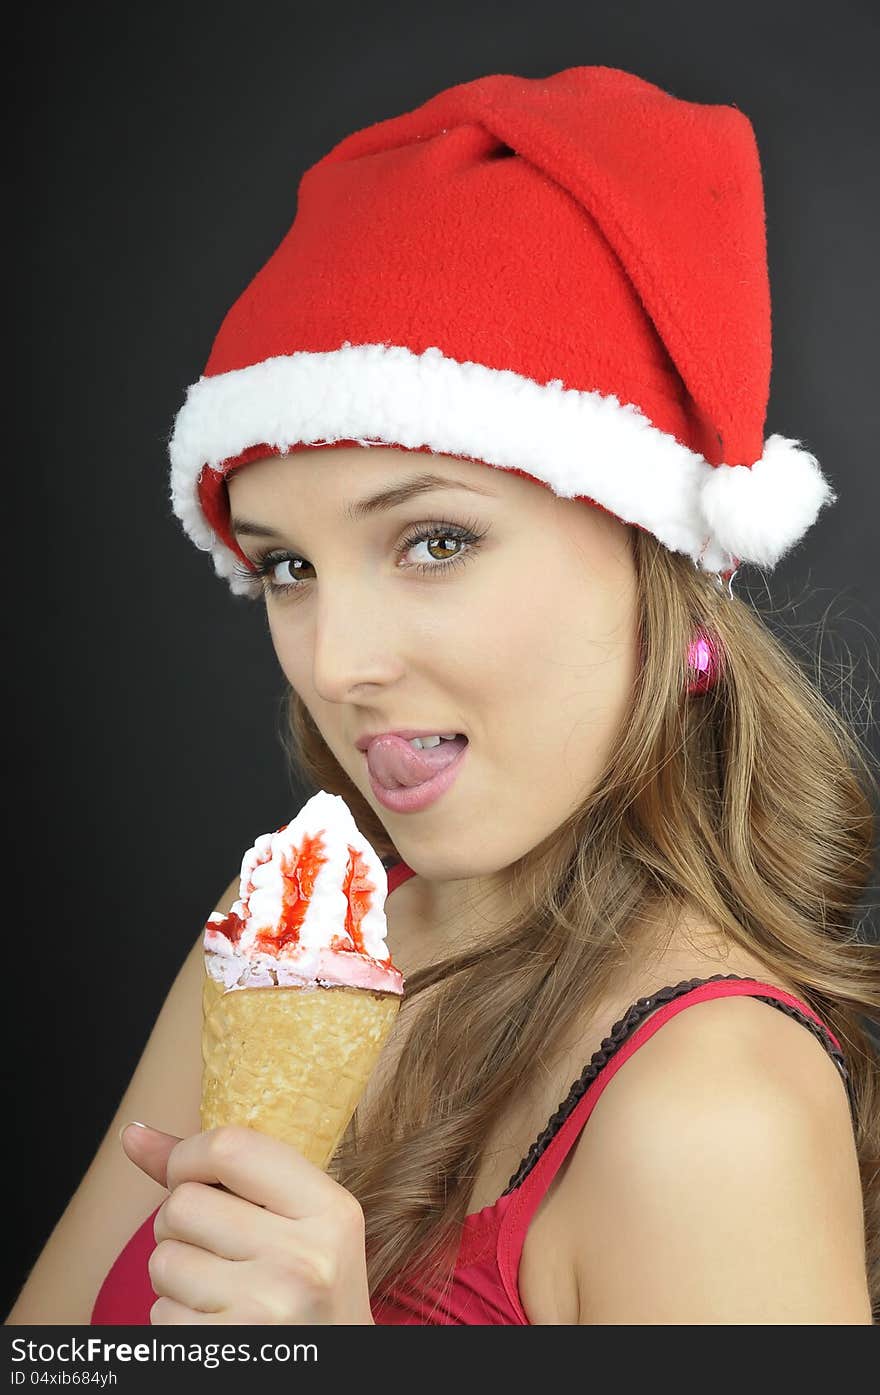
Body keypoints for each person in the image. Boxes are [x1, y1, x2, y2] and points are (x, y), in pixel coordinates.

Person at [7, 64, 877, 1327]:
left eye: (433, 541)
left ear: (657, 559)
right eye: (286, 569)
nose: (335, 663)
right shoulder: (274, 948)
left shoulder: (710, 1111)